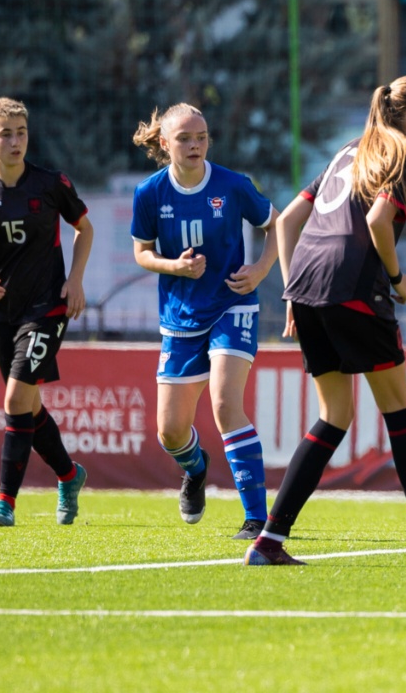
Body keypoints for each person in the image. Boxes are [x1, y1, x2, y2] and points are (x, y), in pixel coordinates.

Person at [243, 74, 406, 567]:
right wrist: (398, 277)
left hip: (308, 287)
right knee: (399, 414)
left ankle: (269, 542)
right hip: (355, 288)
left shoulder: (350, 150)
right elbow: (378, 221)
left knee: (333, 416)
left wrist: (293, 291)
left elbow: (285, 221)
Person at [130, 103, 281, 539]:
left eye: (202, 137)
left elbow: (278, 224)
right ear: (165, 144)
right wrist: (174, 267)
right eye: (184, 139)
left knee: (223, 403)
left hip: (233, 304)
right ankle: (195, 470)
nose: (195, 145)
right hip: (180, 316)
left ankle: (257, 520)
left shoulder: (233, 185)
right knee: (171, 432)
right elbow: (142, 253)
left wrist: (261, 269)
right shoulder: (150, 193)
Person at [0, 97, 93, 527]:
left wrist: (76, 279)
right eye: (6, 134)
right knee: (27, 405)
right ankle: (69, 474)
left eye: (21, 132)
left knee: (14, 399)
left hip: (48, 306)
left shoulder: (50, 184)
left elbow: (85, 229)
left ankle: (5, 502)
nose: (15, 141)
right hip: (1, 312)